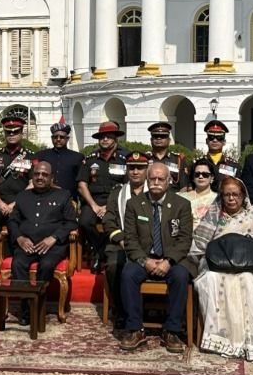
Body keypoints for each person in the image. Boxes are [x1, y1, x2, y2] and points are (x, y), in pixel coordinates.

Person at [189, 176, 253, 361]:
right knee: (212, 280)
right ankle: (221, 340)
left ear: (243, 195)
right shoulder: (214, 215)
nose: (231, 199)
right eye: (227, 194)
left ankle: (248, 341)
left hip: (246, 266)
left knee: (247, 281)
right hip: (216, 266)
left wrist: (248, 237)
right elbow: (199, 245)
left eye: (235, 194)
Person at [117, 163, 194, 352]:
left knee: (181, 276)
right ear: (147, 180)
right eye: (152, 179)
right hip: (144, 258)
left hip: (171, 259)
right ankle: (136, 329)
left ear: (169, 181)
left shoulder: (181, 204)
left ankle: (172, 331)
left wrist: (168, 261)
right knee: (127, 274)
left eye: (161, 179)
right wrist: (145, 261)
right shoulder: (134, 204)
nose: (156, 182)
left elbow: (185, 239)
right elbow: (130, 239)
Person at [7, 161, 77, 325]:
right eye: (37, 174)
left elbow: (71, 222)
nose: (40, 177)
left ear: (52, 177)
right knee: (18, 264)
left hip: (52, 247)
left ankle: (38, 306)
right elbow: (12, 221)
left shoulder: (63, 195)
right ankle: (25, 308)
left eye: (44, 175)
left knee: (46, 265)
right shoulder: (23, 196)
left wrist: (53, 238)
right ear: (32, 176)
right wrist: (19, 238)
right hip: (27, 245)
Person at [101, 151, 150, 336]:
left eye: (140, 168)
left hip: (148, 244)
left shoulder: (155, 191)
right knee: (114, 265)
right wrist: (121, 239)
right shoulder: (117, 193)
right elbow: (109, 220)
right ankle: (121, 311)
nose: (135, 172)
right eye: (131, 168)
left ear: (147, 170)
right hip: (121, 243)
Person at [77, 121, 128, 272]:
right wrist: (94, 206)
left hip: (116, 202)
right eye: (102, 137)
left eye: (108, 136)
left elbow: (128, 186)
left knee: (111, 223)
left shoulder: (124, 158)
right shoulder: (91, 158)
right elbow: (82, 185)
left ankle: (101, 253)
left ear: (115, 139)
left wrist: (109, 207)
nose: (105, 139)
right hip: (94, 201)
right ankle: (100, 250)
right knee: (85, 222)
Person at [0, 115, 36, 229]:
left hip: (21, 200)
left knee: (19, 221)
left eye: (15, 132)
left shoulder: (30, 156)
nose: (11, 135)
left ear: (21, 133)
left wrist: (15, 204)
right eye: (8, 132)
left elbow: (32, 183)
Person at [36, 117, 84, 193]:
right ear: (52, 138)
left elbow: (81, 182)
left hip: (69, 199)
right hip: (45, 197)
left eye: (62, 137)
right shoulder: (41, 155)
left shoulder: (77, 157)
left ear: (67, 139)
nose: (58, 139)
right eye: (55, 137)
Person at [145, 122, 190, 190]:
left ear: (169, 140)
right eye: (155, 136)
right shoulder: (144, 159)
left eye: (163, 136)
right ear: (151, 140)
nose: (159, 139)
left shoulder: (178, 159)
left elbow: (183, 187)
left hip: (173, 198)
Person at [181, 158, 218, 229]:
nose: (201, 177)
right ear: (192, 177)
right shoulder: (181, 197)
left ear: (212, 177)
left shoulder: (218, 200)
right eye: (197, 174)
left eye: (205, 174)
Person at [203, 120, 240, 188]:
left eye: (219, 138)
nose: (215, 140)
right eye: (211, 137)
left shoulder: (232, 165)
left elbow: (237, 188)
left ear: (224, 142)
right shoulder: (198, 163)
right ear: (206, 141)